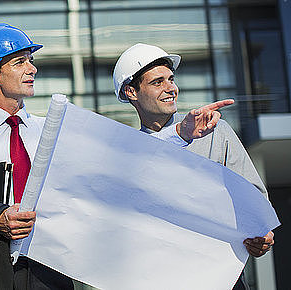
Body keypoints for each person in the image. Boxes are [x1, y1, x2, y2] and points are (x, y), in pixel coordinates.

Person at [0, 25, 230, 289]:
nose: (32, 69)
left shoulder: (51, 130)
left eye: (31, 62)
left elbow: (120, 163)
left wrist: (180, 132)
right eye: (20, 62)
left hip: (51, 269)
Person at [113, 43, 275, 290]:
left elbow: (253, 197)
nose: (171, 88)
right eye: (157, 82)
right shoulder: (125, 156)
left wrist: (260, 233)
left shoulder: (215, 131)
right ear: (131, 92)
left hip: (223, 279)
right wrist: (179, 135)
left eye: (171, 79)